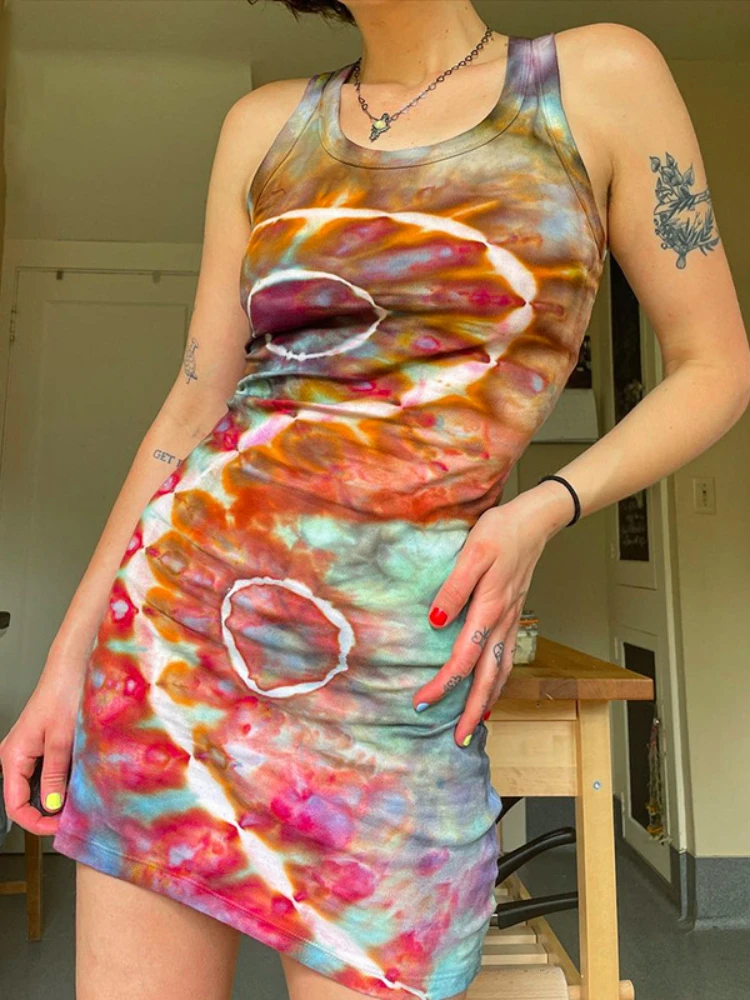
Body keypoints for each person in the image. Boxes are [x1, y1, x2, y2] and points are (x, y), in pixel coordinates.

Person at [2, 2, 749, 999]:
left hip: (399, 696)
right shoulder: (263, 126)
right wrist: (65, 662)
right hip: (170, 656)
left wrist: (545, 506)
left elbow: (716, 366)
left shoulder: (598, 79)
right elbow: (193, 402)